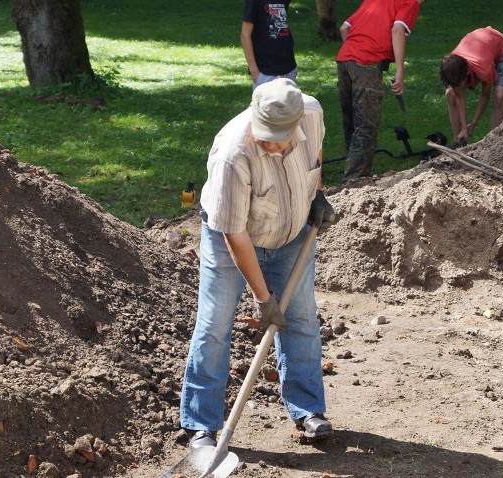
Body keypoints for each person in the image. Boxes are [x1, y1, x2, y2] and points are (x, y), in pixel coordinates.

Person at [179, 78, 337, 449]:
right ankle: (202, 424)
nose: (269, 141)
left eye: (278, 135)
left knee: (300, 317)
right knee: (214, 324)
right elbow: (236, 236)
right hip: (231, 238)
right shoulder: (232, 155)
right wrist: (264, 299)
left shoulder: (311, 114)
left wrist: (317, 194)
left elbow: (315, 157)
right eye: (265, 132)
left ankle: (308, 409)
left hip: (292, 232)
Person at [336, 0, 424, 183]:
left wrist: (355, 51)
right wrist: (400, 70)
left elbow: (344, 28)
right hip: (366, 63)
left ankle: (351, 170)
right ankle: (354, 183)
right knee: (366, 126)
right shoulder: (410, 2)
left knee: (351, 122)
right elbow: (397, 30)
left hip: (344, 59)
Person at [440, 26, 503, 148]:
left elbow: (485, 96)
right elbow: (459, 96)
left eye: (459, 84)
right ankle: (458, 143)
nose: (458, 88)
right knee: (450, 93)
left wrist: (473, 124)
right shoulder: (452, 64)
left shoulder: (483, 69)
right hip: (481, 47)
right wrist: (465, 128)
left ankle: (494, 144)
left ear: (466, 75)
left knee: (499, 95)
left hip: (502, 47)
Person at [241, 0, 298, 88]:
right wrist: (254, 71)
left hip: (289, 68)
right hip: (265, 71)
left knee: (289, 101)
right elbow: (245, 35)